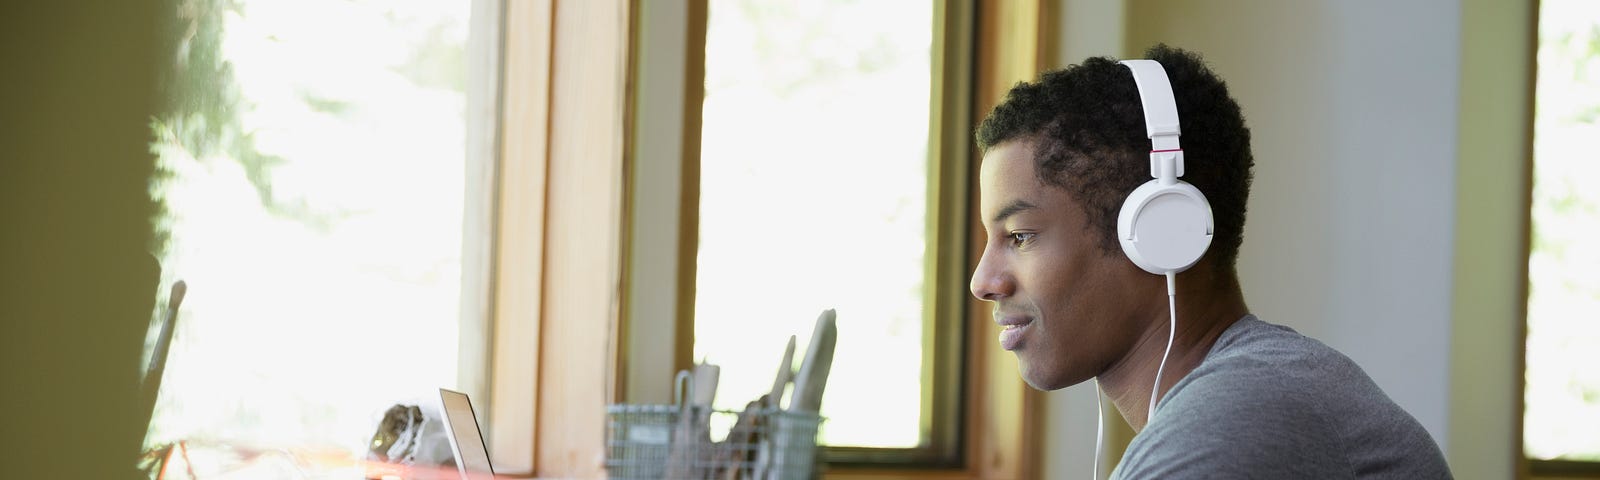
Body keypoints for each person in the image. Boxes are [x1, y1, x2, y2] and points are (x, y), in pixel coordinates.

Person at [968, 44, 1452, 478]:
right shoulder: (1262, 390)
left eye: (1020, 236)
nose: (982, 281)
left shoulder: (1240, 420)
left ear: (1158, 234)